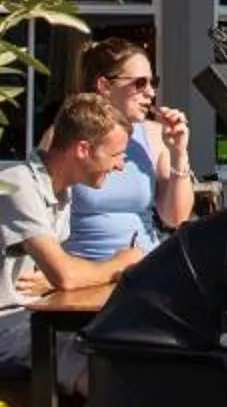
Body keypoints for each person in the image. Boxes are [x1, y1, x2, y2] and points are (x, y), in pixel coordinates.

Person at [0, 93, 151, 376]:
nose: (120, 166)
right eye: (114, 155)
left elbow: (59, 273)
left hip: (26, 318)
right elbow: (67, 276)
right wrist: (120, 265)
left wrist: (55, 277)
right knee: (92, 360)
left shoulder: (60, 192)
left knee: (120, 342)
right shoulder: (16, 185)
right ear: (82, 149)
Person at [61, 35, 192, 261]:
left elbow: (176, 217)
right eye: (140, 83)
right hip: (85, 269)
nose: (151, 92)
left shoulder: (153, 134)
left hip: (143, 267)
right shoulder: (69, 134)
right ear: (104, 86)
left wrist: (179, 152)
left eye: (154, 82)